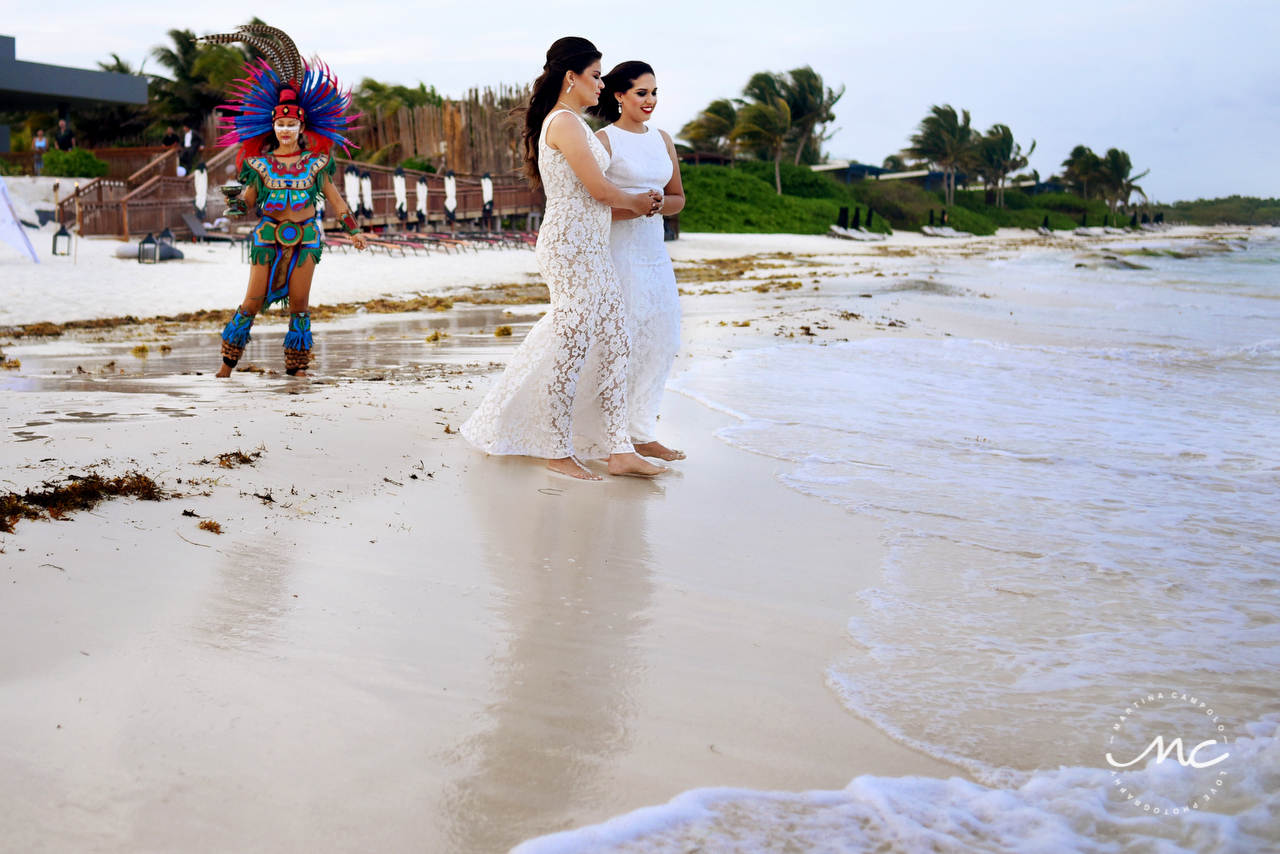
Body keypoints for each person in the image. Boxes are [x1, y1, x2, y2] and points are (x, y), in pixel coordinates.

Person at [460, 37, 667, 481]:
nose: (601, 83)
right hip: (569, 247)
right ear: (571, 77)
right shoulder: (566, 123)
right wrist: (642, 202)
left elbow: (600, 194)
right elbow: (600, 191)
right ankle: (555, 448)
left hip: (592, 246)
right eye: (595, 75)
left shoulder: (575, 121)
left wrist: (638, 201)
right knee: (570, 347)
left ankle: (619, 449)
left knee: (616, 342)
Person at [198, 23, 368, 378]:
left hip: (306, 237)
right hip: (266, 237)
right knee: (251, 303)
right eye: (281, 125)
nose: (286, 130)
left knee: (301, 304)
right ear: (272, 127)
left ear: (303, 128)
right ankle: (226, 366)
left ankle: (298, 369)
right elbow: (246, 199)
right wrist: (236, 205)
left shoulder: (317, 162)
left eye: (292, 125)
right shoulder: (258, 164)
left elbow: (335, 199)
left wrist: (354, 231)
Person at [588, 61, 687, 462]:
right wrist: (636, 207)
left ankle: (642, 431)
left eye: (654, 92)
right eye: (641, 93)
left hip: (654, 254)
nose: (650, 100)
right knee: (621, 341)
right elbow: (590, 205)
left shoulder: (663, 139)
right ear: (619, 96)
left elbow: (678, 198)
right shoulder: (603, 140)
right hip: (618, 252)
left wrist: (659, 204)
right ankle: (613, 436)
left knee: (663, 338)